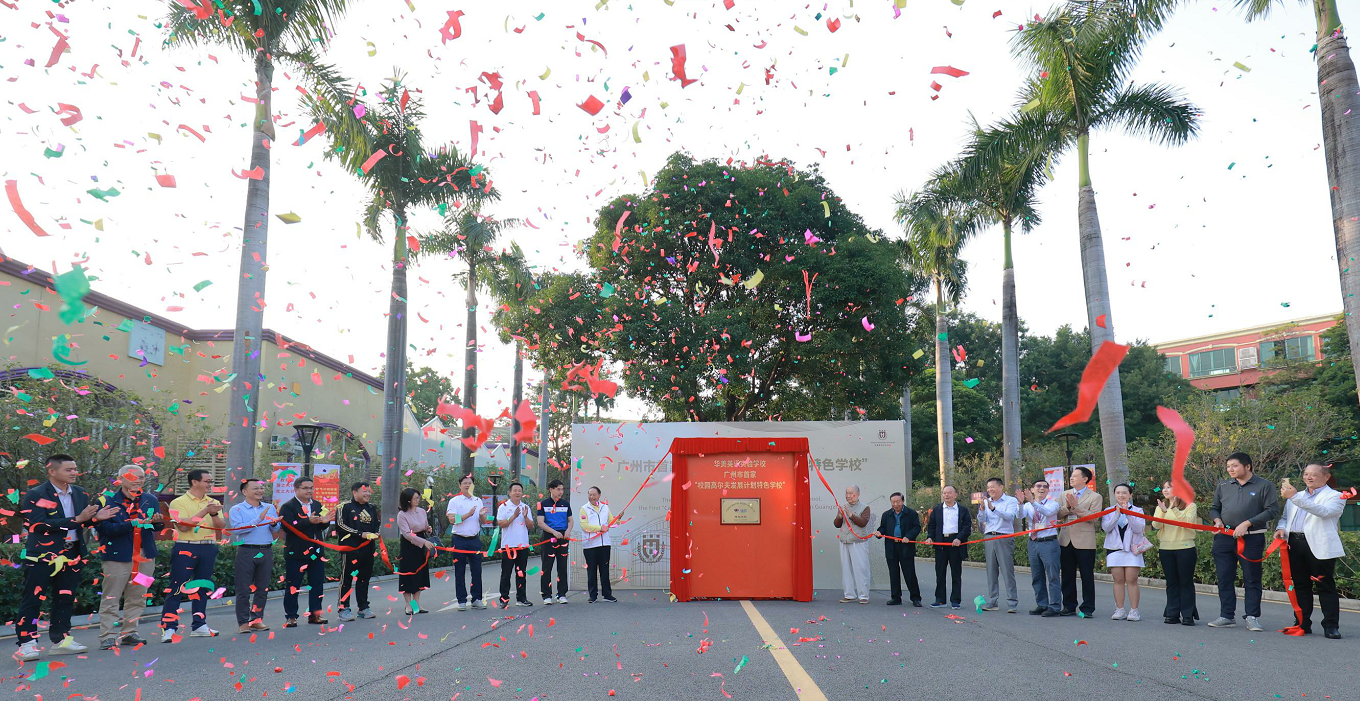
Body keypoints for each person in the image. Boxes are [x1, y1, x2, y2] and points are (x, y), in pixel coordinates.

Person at [14, 454, 117, 660]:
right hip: (42, 554)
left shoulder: (79, 493)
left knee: (65, 598)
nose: (74, 473)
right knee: (33, 598)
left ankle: (61, 639)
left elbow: (81, 523)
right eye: (68, 469)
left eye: (75, 468)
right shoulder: (36, 494)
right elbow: (37, 525)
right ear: (52, 471)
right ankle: (26, 643)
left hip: (72, 552)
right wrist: (77, 519)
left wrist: (95, 518)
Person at [1207, 452, 1279, 632]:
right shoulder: (1223, 485)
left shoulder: (1264, 485)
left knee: (1252, 578)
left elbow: (1272, 510)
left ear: (1247, 466)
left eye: (1234, 466)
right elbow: (1215, 508)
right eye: (1228, 466)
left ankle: (1252, 616)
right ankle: (1226, 615)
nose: (1230, 469)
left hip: (1252, 537)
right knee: (1224, 577)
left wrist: (1247, 524)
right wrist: (1217, 521)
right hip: (1224, 537)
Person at [95, 464, 162, 649]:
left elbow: (156, 527)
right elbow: (105, 529)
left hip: (144, 555)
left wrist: (156, 523)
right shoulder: (108, 501)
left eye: (141, 477)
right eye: (133, 477)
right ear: (121, 479)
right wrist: (132, 523)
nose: (138, 480)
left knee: (138, 596)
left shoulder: (149, 500)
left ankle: (130, 632)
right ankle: (107, 636)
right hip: (117, 555)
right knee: (111, 596)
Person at [1275, 463, 1345, 639]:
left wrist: (1295, 498)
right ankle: (1301, 622)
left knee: (1325, 586)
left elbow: (1323, 512)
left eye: (1313, 474)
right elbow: (1285, 518)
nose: (1308, 477)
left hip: (1319, 546)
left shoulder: (1336, 496)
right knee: (1300, 585)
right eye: (1306, 474)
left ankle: (1331, 625)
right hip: (1295, 544)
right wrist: (1280, 529)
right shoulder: (1296, 496)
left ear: (1326, 477)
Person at [161, 468, 224, 641]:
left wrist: (213, 512)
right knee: (177, 587)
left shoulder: (212, 502)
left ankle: (199, 624)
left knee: (202, 587)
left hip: (208, 546)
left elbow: (221, 526)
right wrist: (204, 511)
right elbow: (182, 526)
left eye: (211, 481)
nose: (210, 484)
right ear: (195, 482)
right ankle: (169, 628)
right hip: (185, 546)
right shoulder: (178, 502)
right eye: (207, 481)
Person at [229, 478, 280, 634]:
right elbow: (237, 530)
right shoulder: (237, 509)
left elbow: (276, 528)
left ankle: (257, 619)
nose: (260, 491)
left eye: (261, 488)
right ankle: (243, 622)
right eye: (255, 488)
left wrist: (273, 524)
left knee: (262, 588)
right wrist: (259, 519)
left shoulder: (270, 507)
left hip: (266, 550)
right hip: (246, 551)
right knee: (243, 588)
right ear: (245, 492)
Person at [280, 476, 331, 627]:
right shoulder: (288, 506)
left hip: (316, 552)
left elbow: (318, 528)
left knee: (317, 584)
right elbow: (289, 527)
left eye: (311, 488)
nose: (309, 491)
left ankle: (315, 614)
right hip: (296, 552)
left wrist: (324, 522)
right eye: (305, 488)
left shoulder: (316, 504)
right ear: (296, 489)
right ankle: (291, 616)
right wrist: (308, 521)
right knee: (293, 585)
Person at [1057, 466, 1102, 618]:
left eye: (1075, 476)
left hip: (1085, 541)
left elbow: (1094, 518)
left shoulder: (1095, 497)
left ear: (1085, 479)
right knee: (1067, 575)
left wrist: (1077, 507)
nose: (1071, 478)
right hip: (1065, 540)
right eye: (1071, 475)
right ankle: (1069, 606)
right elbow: (1058, 515)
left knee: (1086, 575)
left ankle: (1087, 608)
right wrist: (1068, 506)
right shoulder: (1064, 494)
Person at [1153, 480, 1199, 626]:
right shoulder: (1161, 506)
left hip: (1185, 548)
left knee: (1185, 582)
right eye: (1164, 488)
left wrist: (1172, 509)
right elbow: (1156, 525)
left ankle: (1187, 615)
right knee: (1171, 582)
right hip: (1166, 548)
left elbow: (1187, 522)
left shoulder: (1190, 505)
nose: (1165, 490)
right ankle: (1172, 614)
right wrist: (1163, 511)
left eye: (1169, 487)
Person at [1016, 479, 1061, 617]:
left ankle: (1055, 606)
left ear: (1048, 490)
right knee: (1037, 576)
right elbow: (1019, 516)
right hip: (1033, 542)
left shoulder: (1053, 504)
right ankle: (1042, 604)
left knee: (1053, 575)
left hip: (1049, 543)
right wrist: (1020, 503)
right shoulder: (1029, 505)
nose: (1042, 488)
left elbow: (1047, 513)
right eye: (1038, 486)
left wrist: (1032, 502)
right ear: (1032, 489)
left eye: (1045, 486)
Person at [1101, 483, 1147, 621]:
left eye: (1124, 493)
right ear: (1114, 495)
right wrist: (1117, 514)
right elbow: (1106, 528)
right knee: (1118, 580)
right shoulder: (1108, 510)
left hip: (1132, 549)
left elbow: (1139, 528)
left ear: (1130, 495)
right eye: (1118, 493)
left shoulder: (1138, 510)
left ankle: (1134, 611)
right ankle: (1119, 609)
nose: (1121, 495)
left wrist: (1129, 514)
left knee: (1132, 579)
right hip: (1114, 549)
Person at [337, 482, 380, 621]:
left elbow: (376, 525)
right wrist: (359, 533)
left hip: (368, 549)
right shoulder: (344, 507)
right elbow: (340, 525)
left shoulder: (372, 508)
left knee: (364, 579)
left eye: (369, 491)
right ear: (354, 492)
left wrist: (376, 533)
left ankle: (363, 607)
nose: (367, 494)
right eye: (364, 491)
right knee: (347, 579)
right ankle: (344, 608)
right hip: (350, 549)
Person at [447, 474, 490, 610]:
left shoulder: (478, 501)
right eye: (464, 483)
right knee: (459, 571)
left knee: (476, 570)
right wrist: (468, 514)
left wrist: (482, 515)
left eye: (470, 483)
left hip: (474, 539)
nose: (467, 485)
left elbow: (483, 522)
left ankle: (476, 598)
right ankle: (461, 600)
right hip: (459, 539)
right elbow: (452, 520)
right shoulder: (454, 501)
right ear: (460, 486)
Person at [977, 477, 1020, 613]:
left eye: (992, 487)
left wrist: (993, 508)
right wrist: (983, 509)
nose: (990, 490)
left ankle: (1012, 603)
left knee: (1007, 571)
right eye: (988, 487)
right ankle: (992, 601)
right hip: (989, 536)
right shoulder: (986, 501)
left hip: (1004, 537)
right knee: (991, 571)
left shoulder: (1011, 501)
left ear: (1001, 487)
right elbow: (981, 520)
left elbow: (1009, 516)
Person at [927, 485, 972, 610]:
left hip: (956, 543)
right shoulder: (937, 509)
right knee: (940, 573)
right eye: (944, 493)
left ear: (955, 495)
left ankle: (955, 600)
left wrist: (959, 538)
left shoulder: (962, 510)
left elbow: (967, 527)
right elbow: (932, 526)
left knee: (956, 573)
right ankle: (940, 600)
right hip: (941, 543)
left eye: (949, 493)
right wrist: (930, 537)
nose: (946, 495)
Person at [877, 492, 922, 606]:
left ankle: (916, 598)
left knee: (909, 573)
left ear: (902, 501)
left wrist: (908, 536)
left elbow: (916, 527)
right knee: (893, 573)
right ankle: (896, 597)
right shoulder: (886, 515)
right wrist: (879, 532)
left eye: (898, 502)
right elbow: (883, 528)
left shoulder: (911, 513)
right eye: (893, 502)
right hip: (891, 546)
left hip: (905, 546)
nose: (895, 504)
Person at [397, 488, 437, 614]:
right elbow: (407, 534)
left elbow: (424, 526)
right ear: (408, 500)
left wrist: (428, 529)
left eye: (418, 498)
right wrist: (423, 542)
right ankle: (408, 605)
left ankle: (416, 605)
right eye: (415, 498)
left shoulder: (421, 511)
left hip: (421, 543)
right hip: (409, 546)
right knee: (409, 574)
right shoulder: (402, 514)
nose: (418, 500)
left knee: (420, 574)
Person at [833, 484, 874, 604]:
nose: (849, 496)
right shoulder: (843, 506)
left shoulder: (865, 507)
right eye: (847, 493)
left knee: (861, 568)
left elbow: (863, 523)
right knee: (846, 569)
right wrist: (840, 516)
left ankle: (863, 595)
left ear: (858, 494)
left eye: (851, 493)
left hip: (858, 542)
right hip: (844, 541)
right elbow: (837, 524)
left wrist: (851, 515)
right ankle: (849, 594)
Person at [497, 482, 535, 608]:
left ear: (522, 493)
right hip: (508, 546)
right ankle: (504, 598)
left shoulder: (526, 507)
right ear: (510, 492)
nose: (517, 492)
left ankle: (521, 598)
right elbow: (501, 524)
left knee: (521, 573)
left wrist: (525, 517)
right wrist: (513, 516)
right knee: (506, 573)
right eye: (515, 490)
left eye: (519, 490)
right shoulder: (504, 507)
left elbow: (531, 526)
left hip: (523, 546)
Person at [537, 479, 573, 605]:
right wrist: (553, 532)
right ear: (551, 489)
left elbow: (570, 521)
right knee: (547, 567)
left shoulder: (565, 504)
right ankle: (546, 595)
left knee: (562, 566)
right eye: (558, 489)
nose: (560, 492)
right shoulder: (543, 504)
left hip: (563, 537)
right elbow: (540, 522)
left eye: (562, 489)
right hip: (549, 537)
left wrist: (568, 530)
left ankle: (562, 594)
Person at [579, 485, 617, 603]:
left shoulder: (605, 507)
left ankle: (607, 595)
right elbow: (584, 526)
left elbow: (611, 522)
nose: (592, 497)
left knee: (604, 570)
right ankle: (593, 595)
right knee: (592, 571)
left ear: (599, 495)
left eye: (594, 494)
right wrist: (600, 528)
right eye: (590, 494)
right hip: (590, 545)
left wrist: (619, 519)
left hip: (604, 544)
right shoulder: (584, 509)